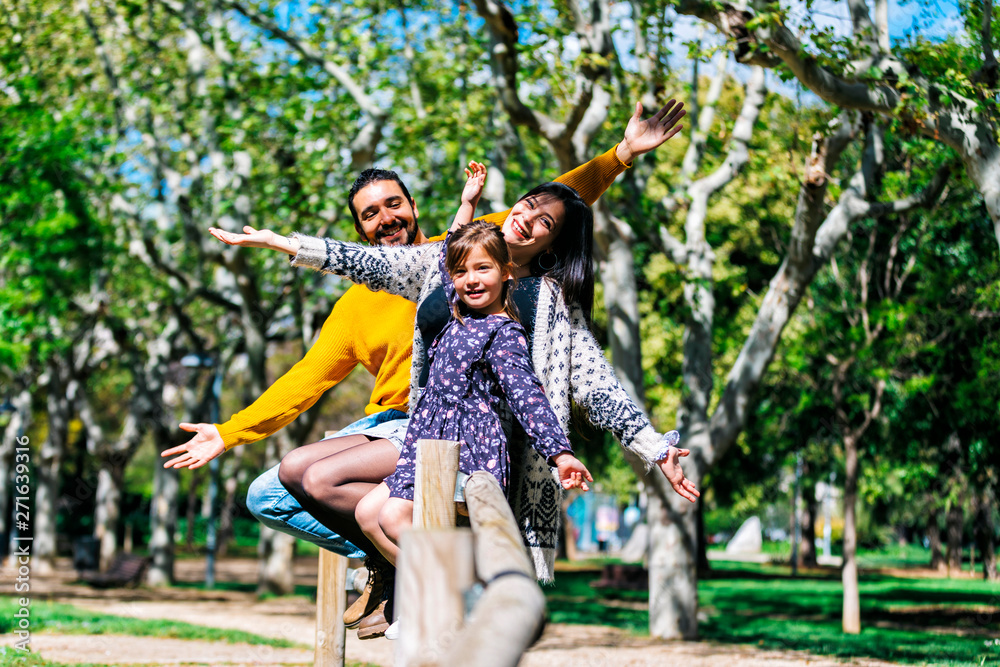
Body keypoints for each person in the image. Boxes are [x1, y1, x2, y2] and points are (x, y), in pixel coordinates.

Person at [164, 99, 688, 637]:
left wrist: (621, 155)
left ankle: (425, 581)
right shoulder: (437, 268)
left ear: (413, 205)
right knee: (278, 491)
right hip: (405, 423)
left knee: (337, 487)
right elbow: (311, 367)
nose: (385, 218)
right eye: (370, 213)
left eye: (393, 204)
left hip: (455, 430)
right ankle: (395, 565)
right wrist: (229, 430)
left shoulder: (515, 280)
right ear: (360, 226)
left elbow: (559, 208)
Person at [360, 166, 594, 570]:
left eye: (483, 270)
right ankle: (433, 591)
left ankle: (454, 588)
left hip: (468, 446)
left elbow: (527, 396)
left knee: (393, 517)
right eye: (462, 273)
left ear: (506, 274)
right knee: (368, 515)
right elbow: (451, 252)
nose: (470, 279)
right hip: (426, 436)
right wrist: (467, 205)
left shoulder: (503, 331)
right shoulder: (454, 310)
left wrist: (560, 455)